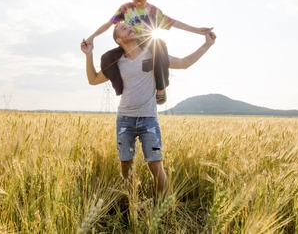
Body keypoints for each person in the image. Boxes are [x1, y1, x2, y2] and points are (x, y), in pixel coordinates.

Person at [81, 22, 216, 198]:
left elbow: (184, 63)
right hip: (124, 120)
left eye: (130, 26)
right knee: (126, 166)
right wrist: (88, 54)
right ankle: (131, 206)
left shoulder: (154, 54)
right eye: (124, 28)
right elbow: (93, 79)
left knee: (155, 165)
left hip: (148, 119)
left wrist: (207, 44)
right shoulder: (117, 62)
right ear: (118, 39)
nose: (130, 28)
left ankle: (161, 208)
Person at [85, 0, 213, 105]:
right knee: (106, 57)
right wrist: (93, 36)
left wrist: (197, 30)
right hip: (128, 45)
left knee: (160, 44)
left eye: (143, 0)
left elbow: (174, 23)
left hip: (147, 43)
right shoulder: (125, 8)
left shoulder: (153, 11)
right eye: (135, 0)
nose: (139, 3)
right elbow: (108, 24)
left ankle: (161, 87)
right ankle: (119, 88)